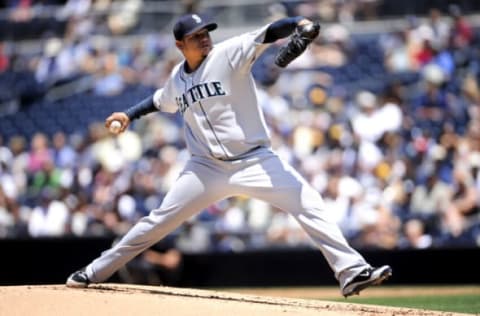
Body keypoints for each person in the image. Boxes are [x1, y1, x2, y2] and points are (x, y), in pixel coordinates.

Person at [66, 13, 392, 297]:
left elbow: (269, 32)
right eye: (196, 36)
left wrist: (300, 24)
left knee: (308, 201)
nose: (205, 39)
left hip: (255, 160)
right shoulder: (177, 78)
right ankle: (93, 272)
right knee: (155, 224)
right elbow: (158, 99)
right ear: (180, 45)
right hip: (205, 168)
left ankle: (351, 271)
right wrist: (128, 114)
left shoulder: (229, 53)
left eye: (206, 32)